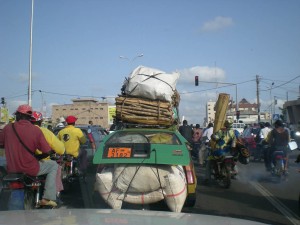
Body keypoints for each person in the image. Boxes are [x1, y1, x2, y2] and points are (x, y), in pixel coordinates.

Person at [0, 104, 58, 207]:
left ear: (18, 115)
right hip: (31, 168)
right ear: (30, 117)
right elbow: (47, 151)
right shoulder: (36, 130)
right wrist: (40, 157)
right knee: (53, 165)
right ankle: (47, 198)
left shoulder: (8, 128)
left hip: (12, 169)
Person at [30, 111, 65, 202]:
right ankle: (49, 197)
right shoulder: (45, 132)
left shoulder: (21, 131)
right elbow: (61, 149)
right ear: (41, 121)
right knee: (54, 166)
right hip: (37, 164)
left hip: (18, 165)